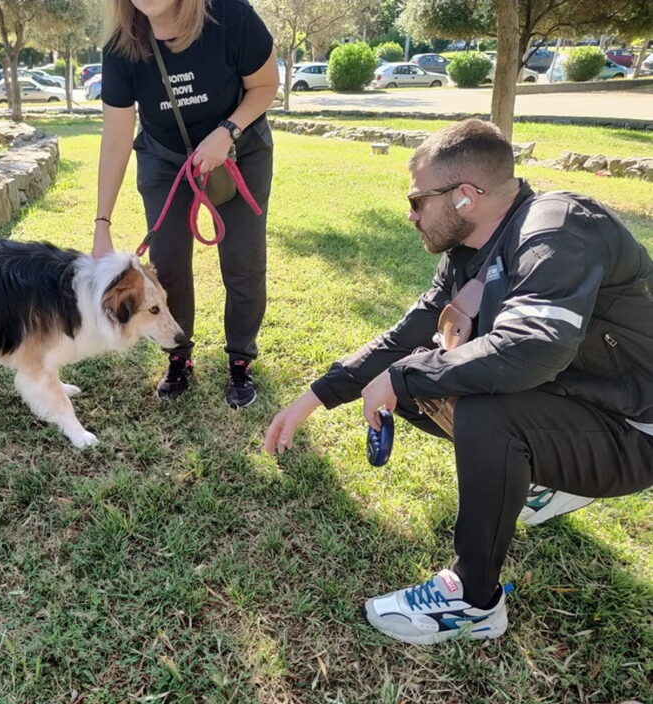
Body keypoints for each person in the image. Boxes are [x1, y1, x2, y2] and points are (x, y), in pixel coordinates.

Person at [264, 119, 653, 644]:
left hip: (634, 425)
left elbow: (534, 347)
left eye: (417, 199)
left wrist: (403, 378)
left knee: (483, 410)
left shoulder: (558, 227)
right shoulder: (468, 252)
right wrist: (313, 398)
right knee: (423, 373)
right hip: (578, 401)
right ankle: (546, 479)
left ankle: (474, 601)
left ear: (466, 197)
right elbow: (407, 336)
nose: (410, 213)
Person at [92, 0, 278, 408]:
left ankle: (241, 359)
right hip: (165, 159)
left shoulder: (229, 15)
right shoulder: (122, 45)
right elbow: (117, 139)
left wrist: (227, 131)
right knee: (168, 263)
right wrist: (102, 222)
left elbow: (265, 85)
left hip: (237, 152)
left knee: (243, 262)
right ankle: (179, 355)